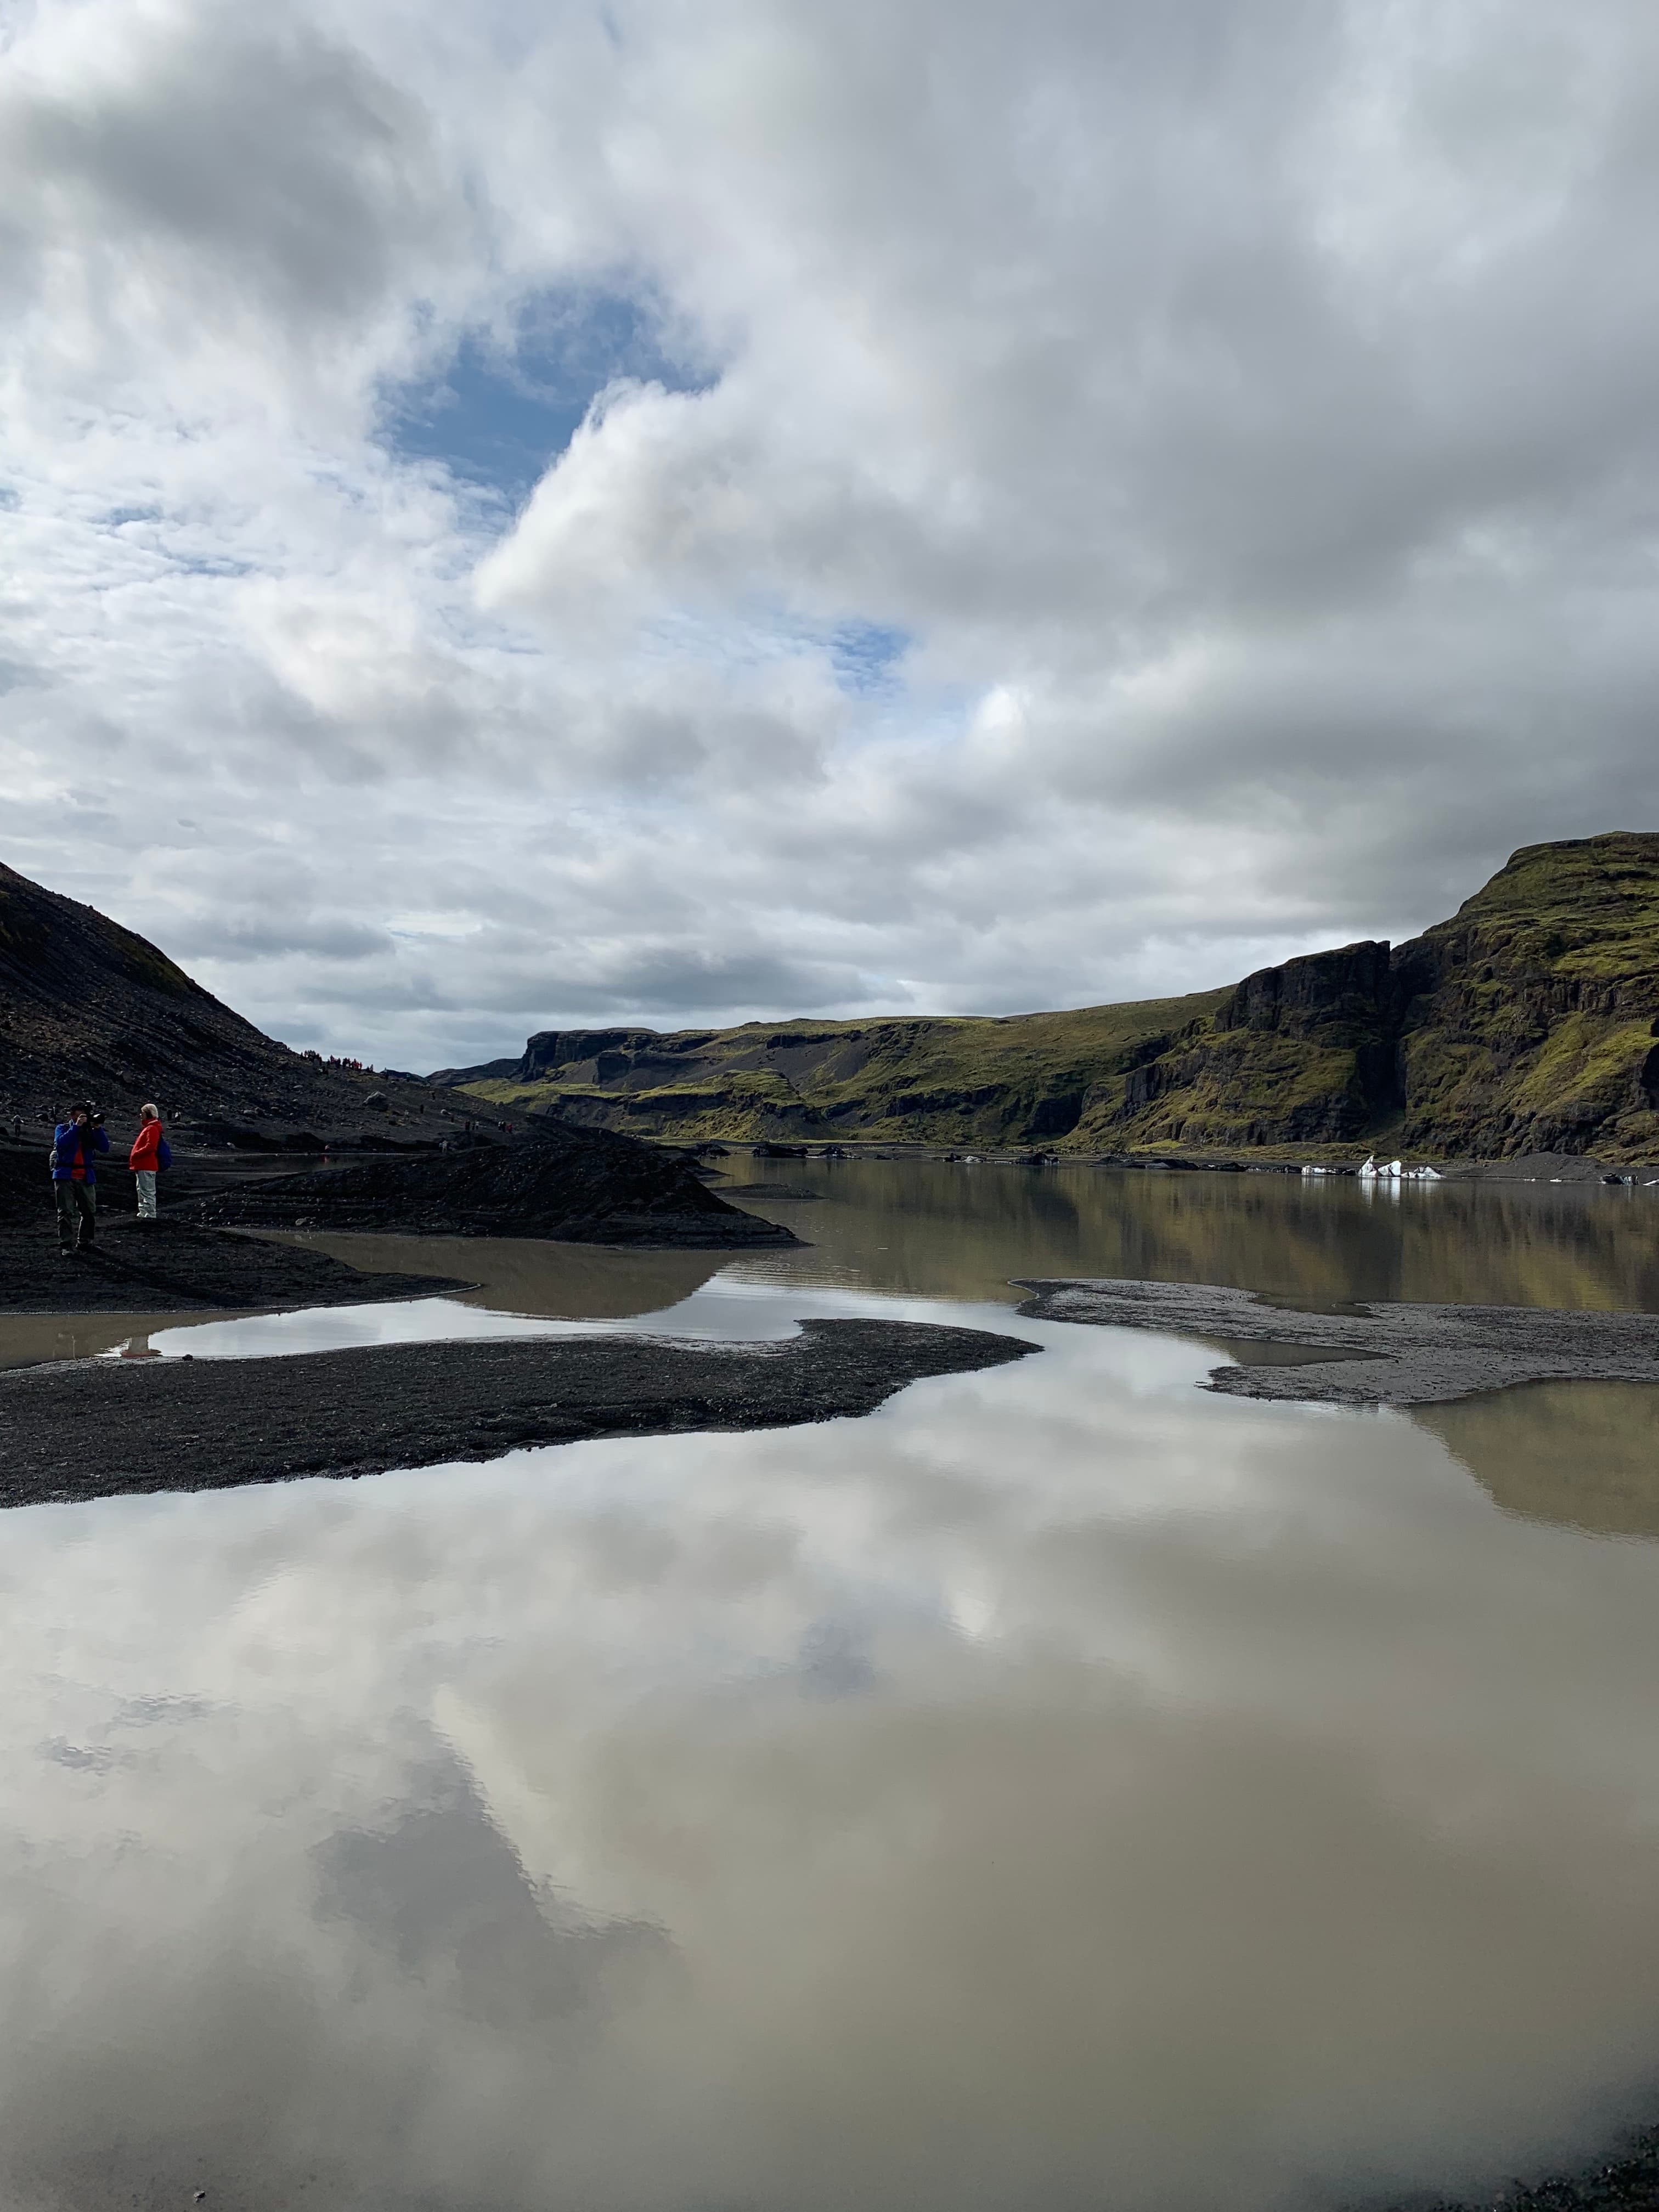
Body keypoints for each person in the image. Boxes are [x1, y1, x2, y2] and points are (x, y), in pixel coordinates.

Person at [52, 1103, 110, 1254]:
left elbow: (105, 1148)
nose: (84, 1118)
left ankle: (85, 1242)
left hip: (85, 1175)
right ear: (72, 1115)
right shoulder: (63, 1128)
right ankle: (66, 1244)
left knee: (89, 1211)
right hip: (65, 1175)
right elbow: (60, 1144)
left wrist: (98, 1129)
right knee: (65, 1211)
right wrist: (76, 1127)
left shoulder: (90, 1131)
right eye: (80, 1114)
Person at [129, 1102, 169, 1220]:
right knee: (142, 1190)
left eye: (143, 1113)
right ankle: (144, 1212)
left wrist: (136, 1153)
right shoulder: (151, 1128)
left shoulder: (151, 1128)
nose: (141, 1115)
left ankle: (150, 1214)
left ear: (148, 1114)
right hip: (144, 1164)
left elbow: (151, 1146)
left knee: (147, 1191)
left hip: (147, 1164)